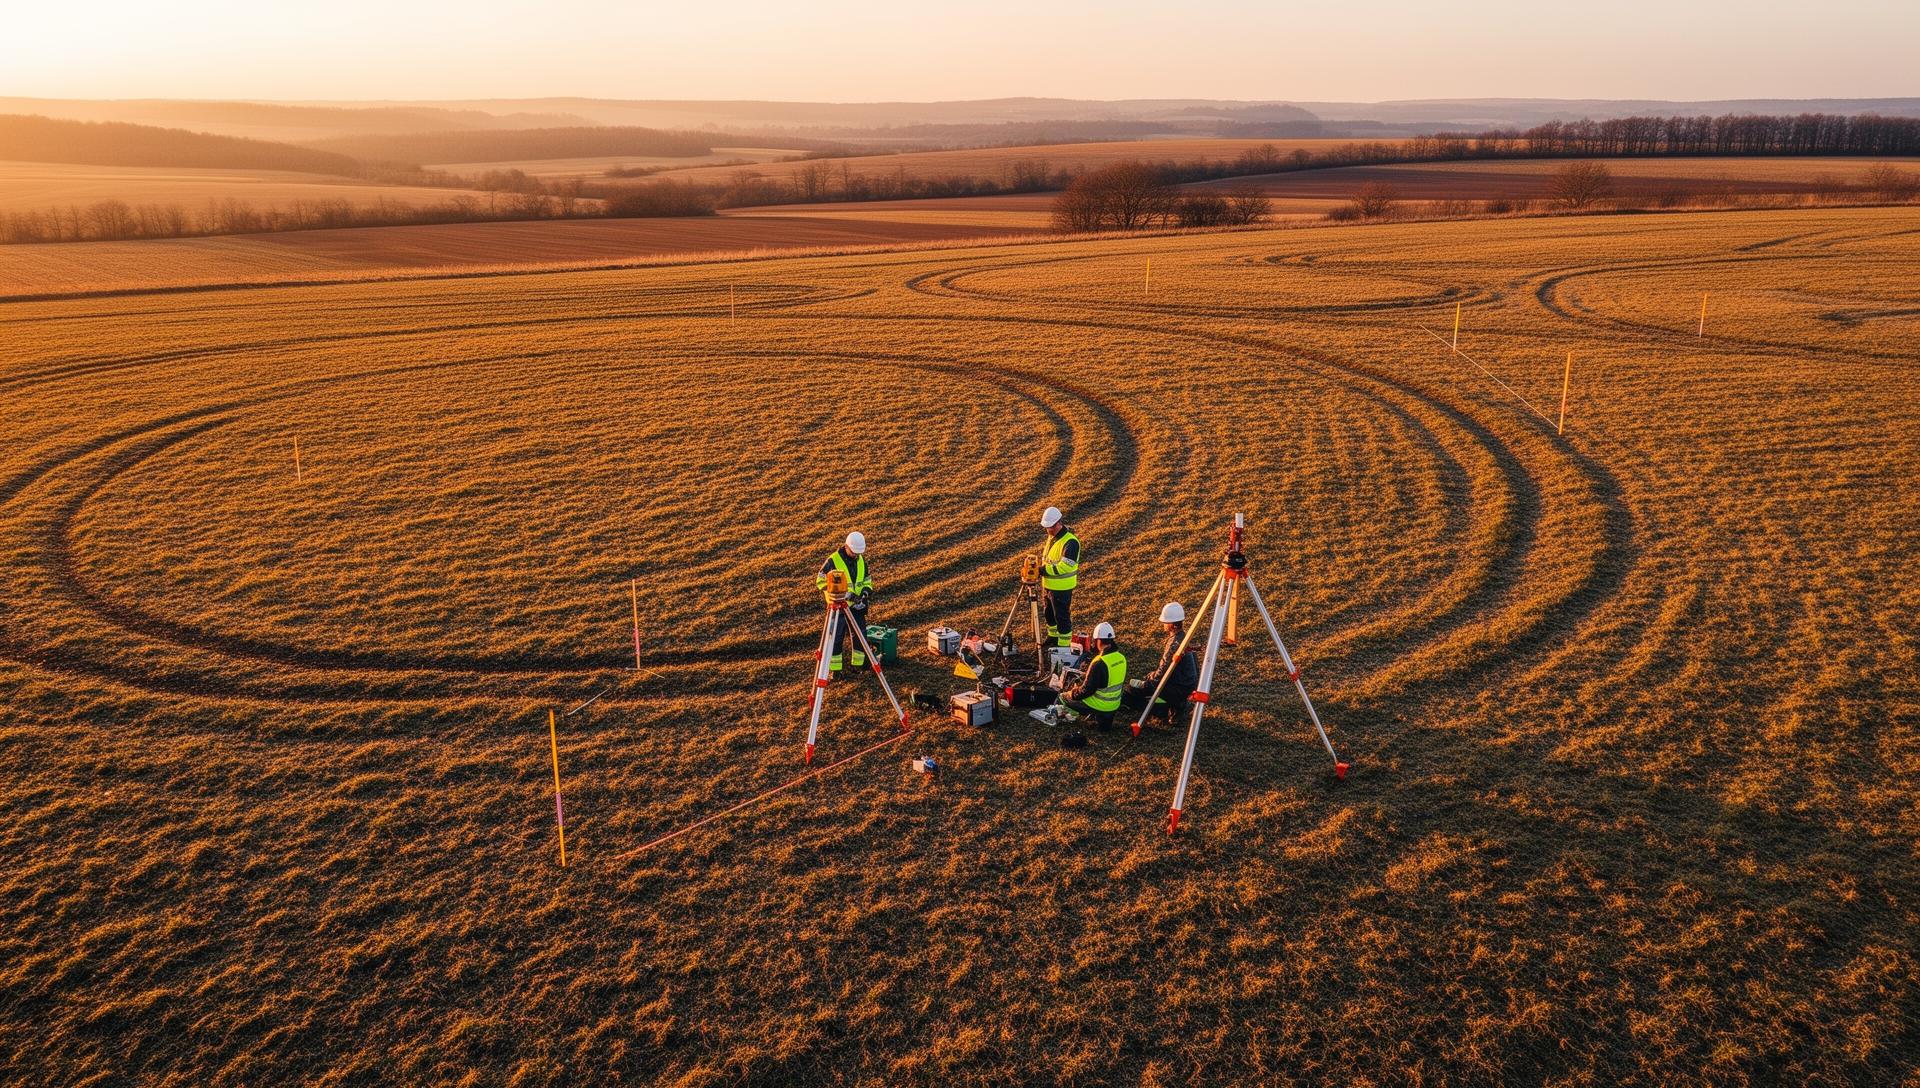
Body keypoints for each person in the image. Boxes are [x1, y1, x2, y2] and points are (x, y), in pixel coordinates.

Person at [1124, 602, 1200, 724]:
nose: (1163, 624)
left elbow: (1162, 672)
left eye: (1166, 622)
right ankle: (1177, 706)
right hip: (1186, 686)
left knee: (1131, 691)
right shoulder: (1184, 638)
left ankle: (1161, 711)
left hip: (1178, 688)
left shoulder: (1174, 644)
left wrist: (1148, 682)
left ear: (1172, 625)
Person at [814, 531, 873, 677]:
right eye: (854, 552)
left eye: (858, 553)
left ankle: (857, 667)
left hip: (857, 606)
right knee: (835, 638)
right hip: (838, 607)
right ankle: (836, 670)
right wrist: (840, 593)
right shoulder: (833, 561)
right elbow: (820, 581)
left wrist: (865, 593)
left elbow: (867, 580)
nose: (856, 555)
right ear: (846, 546)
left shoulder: (860, 560)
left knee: (860, 637)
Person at [1061, 621, 1127, 730]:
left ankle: (1059, 716)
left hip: (1099, 705)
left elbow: (1087, 691)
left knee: (1063, 697)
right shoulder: (1121, 658)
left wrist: (1072, 693)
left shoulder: (1099, 662)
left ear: (1098, 640)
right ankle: (1098, 719)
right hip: (1114, 705)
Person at [1038, 506, 1081, 649]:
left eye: (1049, 527)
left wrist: (1043, 570)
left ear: (1058, 523)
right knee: (1049, 614)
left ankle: (1063, 646)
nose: (1047, 530)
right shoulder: (1052, 537)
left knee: (1061, 617)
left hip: (1062, 588)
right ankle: (1053, 637)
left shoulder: (1071, 542)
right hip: (1049, 585)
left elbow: (1066, 566)